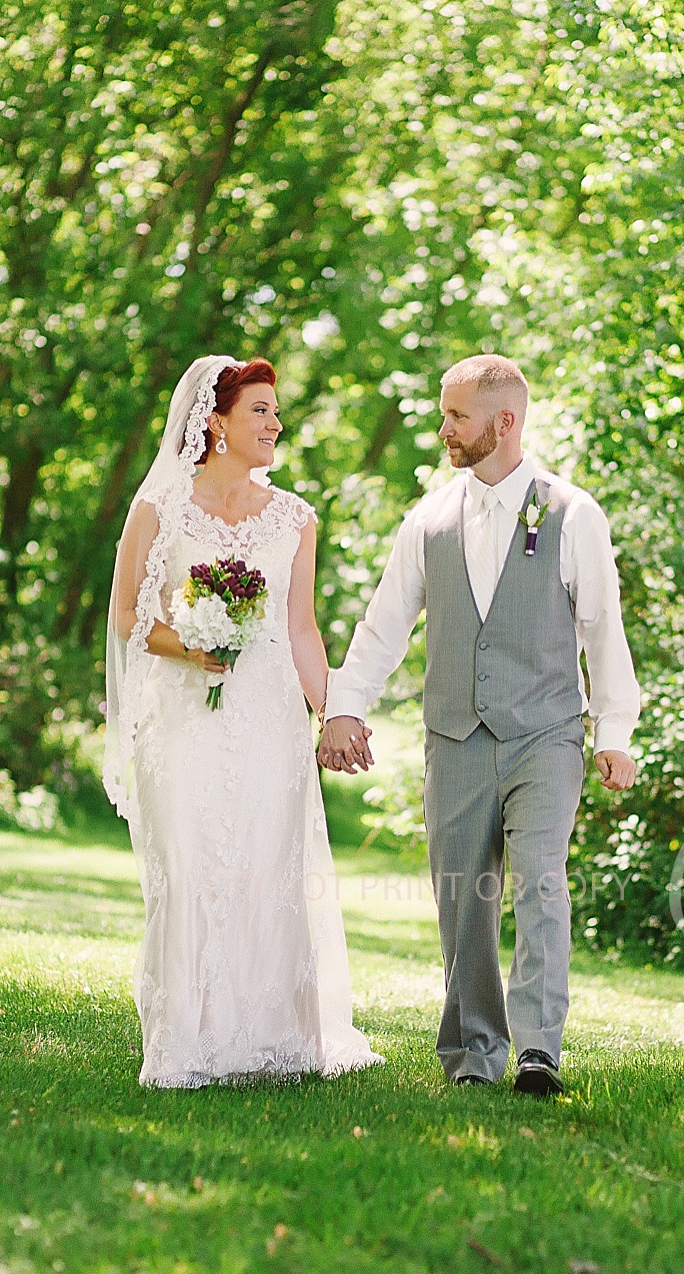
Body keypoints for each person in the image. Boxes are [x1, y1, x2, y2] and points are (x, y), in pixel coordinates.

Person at [317, 354, 640, 1095]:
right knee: (463, 900)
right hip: (455, 737)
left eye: (456, 416)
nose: (443, 429)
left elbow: (601, 629)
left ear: (504, 422)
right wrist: (344, 705)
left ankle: (537, 1051)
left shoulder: (572, 513)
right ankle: (472, 1053)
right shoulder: (427, 520)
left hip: (546, 735)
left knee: (539, 883)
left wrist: (613, 732)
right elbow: (383, 626)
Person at [105, 356, 383, 1088]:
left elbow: (301, 630)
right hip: (183, 719)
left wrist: (333, 713)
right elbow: (129, 614)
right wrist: (190, 644)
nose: (275, 425)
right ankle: (185, 1044)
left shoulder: (295, 517)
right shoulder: (160, 509)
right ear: (216, 420)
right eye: (260, 410)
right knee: (192, 867)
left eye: (276, 412)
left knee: (266, 868)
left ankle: (276, 1040)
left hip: (266, 719)